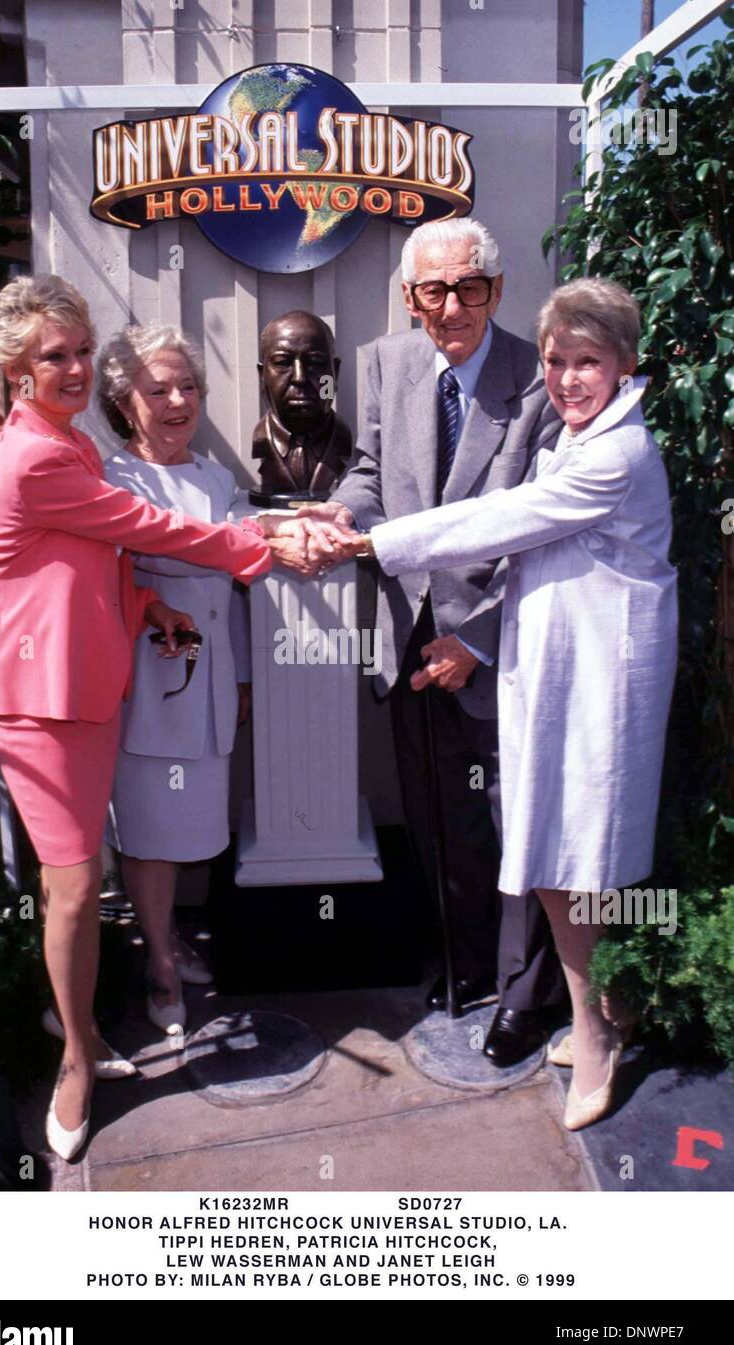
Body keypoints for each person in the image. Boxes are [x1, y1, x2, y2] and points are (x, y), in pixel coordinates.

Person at [338, 277, 678, 1129]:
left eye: (588, 362)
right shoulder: (577, 438)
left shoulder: (616, 452)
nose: (566, 379)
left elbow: (507, 520)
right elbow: (529, 553)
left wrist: (371, 542)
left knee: (574, 864)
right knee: (566, 863)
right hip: (556, 678)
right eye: (557, 361)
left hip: (600, 687)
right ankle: (602, 1006)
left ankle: (595, 1037)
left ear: (627, 365)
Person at [0, 275, 287, 1161]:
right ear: (11, 368)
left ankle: (79, 1024)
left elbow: (98, 554)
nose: (72, 368)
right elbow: (146, 528)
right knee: (73, 887)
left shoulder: (65, 443)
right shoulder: (37, 457)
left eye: (79, 351)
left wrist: (149, 612)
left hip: (93, 689)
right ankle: (76, 1059)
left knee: (76, 881)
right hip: (43, 705)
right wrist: (262, 543)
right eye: (53, 357)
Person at [302, 217, 564, 1065]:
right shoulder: (388, 362)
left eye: (468, 287)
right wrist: (344, 509)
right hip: (406, 633)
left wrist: (478, 642)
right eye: (432, 290)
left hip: (497, 644)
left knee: (511, 821)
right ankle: (457, 968)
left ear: (496, 285)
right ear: (410, 298)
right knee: (434, 815)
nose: (451, 307)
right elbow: (374, 472)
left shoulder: (540, 378)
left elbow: (548, 534)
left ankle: (524, 995)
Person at [98, 324, 318, 1034]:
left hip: (213, 681)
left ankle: (167, 941)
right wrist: (263, 537)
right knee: (150, 832)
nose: (176, 400)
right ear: (123, 401)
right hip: (149, 682)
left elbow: (233, 589)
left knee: (191, 824)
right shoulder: (113, 479)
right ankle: (160, 961)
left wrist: (246, 676)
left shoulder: (215, 478)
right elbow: (204, 556)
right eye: (156, 389)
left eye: (187, 386)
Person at [252, 311, 352, 497]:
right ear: (262, 376)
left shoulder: (343, 438)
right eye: (283, 363)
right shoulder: (260, 440)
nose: (300, 378)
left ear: (335, 374)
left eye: (315, 362)